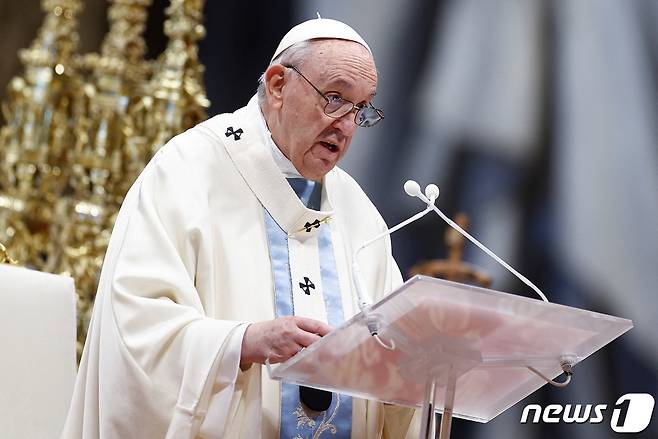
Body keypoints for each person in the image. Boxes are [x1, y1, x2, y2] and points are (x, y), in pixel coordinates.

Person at [62, 18, 419, 439]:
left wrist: (415, 371)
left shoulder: (358, 212)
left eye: (361, 109)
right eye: (335, 98)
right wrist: (242, 342)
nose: (346, 125)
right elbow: (134, 325)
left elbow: (393, 355)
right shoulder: (189, 170)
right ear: (278, 85)